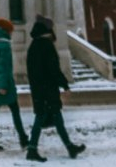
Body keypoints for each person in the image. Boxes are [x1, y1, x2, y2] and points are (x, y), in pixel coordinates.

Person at [25, 15, 86, 162]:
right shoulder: (46, 45)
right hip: (48, 89)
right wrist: (64, 84)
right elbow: (53, 68)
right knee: (43, 118)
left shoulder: (33, 45)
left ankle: (69, 147)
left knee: (54, 119)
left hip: (39, 89)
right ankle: (32, 150)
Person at [0, 18, 28, 151]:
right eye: (10, 31)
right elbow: (2, 68)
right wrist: (3, 86)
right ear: (5, 31)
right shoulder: (4, 47)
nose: (11, 34)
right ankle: (24, 140)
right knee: (15, 110)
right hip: (3, 85)